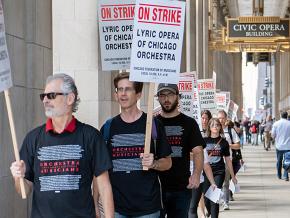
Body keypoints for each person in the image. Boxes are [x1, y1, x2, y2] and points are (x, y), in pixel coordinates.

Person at [10, 73, 114, 218]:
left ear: (70, 98)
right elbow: (23, 191)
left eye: (51, 95)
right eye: (43, 96)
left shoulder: (91, 136)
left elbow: (104, 186)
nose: (45, 100)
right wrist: (18, 177)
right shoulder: (33, 138)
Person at [101, 72, 172, 218]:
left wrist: (154, 164)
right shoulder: (108, 127)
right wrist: (96, 201)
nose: (123, 94)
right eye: (119, 89)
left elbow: (168, 163)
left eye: (128, 89)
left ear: (138, 94)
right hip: (116, 208)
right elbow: (101, 170)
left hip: (148, 208)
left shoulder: (152, 124)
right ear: (115, 95)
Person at [155, 83, 205, 218]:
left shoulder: (189, 123)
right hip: (155, 188)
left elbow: (198, 151)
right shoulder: (152, 124)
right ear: (158, 98)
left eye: (170, 94)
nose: (166, 99)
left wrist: (196, 174)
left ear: (178, 97)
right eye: (162, 95)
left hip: (181, 187)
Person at [203, 118, 237, 218]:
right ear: (209, 127)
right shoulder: (204, 141)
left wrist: (233, 176)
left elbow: (228, 160)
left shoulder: (224, 142)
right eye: (213, 125)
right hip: (205, 171)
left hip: (219, 171)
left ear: (220, 127)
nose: (215, 127)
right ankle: (209, 211)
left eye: (217, 125)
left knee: (214, 197)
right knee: (206, 197)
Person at [189, 110, 216, 218]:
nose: (204, 120)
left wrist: (213, 182)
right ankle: (204, 213)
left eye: (206, 118)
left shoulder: (198, 141)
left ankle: (205, 212)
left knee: (192, 207)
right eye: (202, 118)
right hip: (180, 179)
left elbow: (205, 164)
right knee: (189, 208)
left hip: (197, 177)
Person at [217, 110, 240, 210]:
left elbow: (238, 145)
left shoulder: (230, 130)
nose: (221, 120)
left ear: (226, 118)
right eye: (219, 118)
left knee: (225, 183)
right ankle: (217, 201)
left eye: (222, 118)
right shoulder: (213, 130)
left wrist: (227, 145)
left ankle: (225, 202)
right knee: (216, 183)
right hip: (215, 161)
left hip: (227, 160)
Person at [271, 111, 290, 181]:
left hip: (279, 146)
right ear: (287, 116)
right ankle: (285, 175)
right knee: (287, 160)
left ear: (281, 115)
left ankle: (279, 175)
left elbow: (273, 135)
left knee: (279, 160)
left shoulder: (276, 124)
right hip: (288, 146)